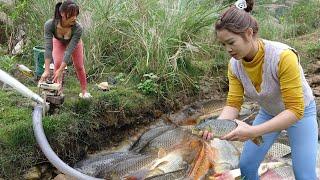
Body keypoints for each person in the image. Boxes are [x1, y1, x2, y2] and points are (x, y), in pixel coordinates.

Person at [202, 0, 318, 179]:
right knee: (246, 166)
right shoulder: (234, 65)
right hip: (269, 112)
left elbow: (295, 110)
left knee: (304, 175)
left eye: (231, 42)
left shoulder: (282, 57)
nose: (228, 49)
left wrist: (253, 131)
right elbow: (233, 104)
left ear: (249, 33)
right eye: (223, 45)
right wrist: (214, 126)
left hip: (300, 113)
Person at [39, 0, 91, 98]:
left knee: (79, 66)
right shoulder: (49, 25)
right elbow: (48, 48)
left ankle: (84, 91)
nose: (75, 18)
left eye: (76, 15)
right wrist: (46, 70)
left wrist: (61, 70)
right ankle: (58, 90)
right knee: (57, 63)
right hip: (58, 41)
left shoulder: (78, 28)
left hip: (74, 43)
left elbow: (69, 51)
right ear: (62, 13)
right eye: (72, 15)